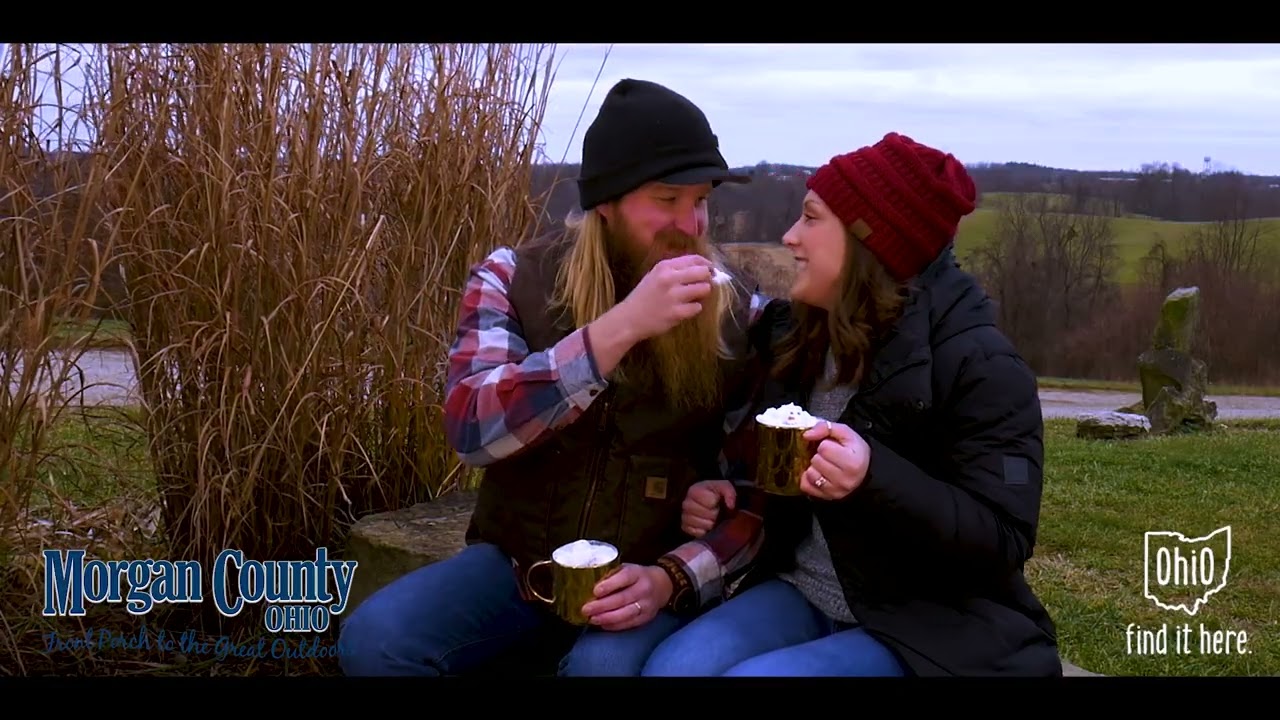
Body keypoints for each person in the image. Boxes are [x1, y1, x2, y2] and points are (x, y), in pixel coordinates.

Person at [337, 78, 775, 677]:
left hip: (644, 582)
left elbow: (757, 493)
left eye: (702, 201)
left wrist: (674, 576)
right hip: (520, 568)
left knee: (602, 670)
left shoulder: (740, 311)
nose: (692, 224)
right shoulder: (513, 278)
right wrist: (614, 332)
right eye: (667, 200)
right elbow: (472, 428)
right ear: (607, 201)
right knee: (378, 639)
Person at [640, 132, 1063, 677]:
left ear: (872, 242)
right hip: (800, 592)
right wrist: (714, 486)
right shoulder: (792, 334)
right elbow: (740, 445)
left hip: (924, 623)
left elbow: (1004, 541)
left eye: (812, 218)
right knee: (675, 669)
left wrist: (874, 477)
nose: (790, 237)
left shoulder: (980, 365)